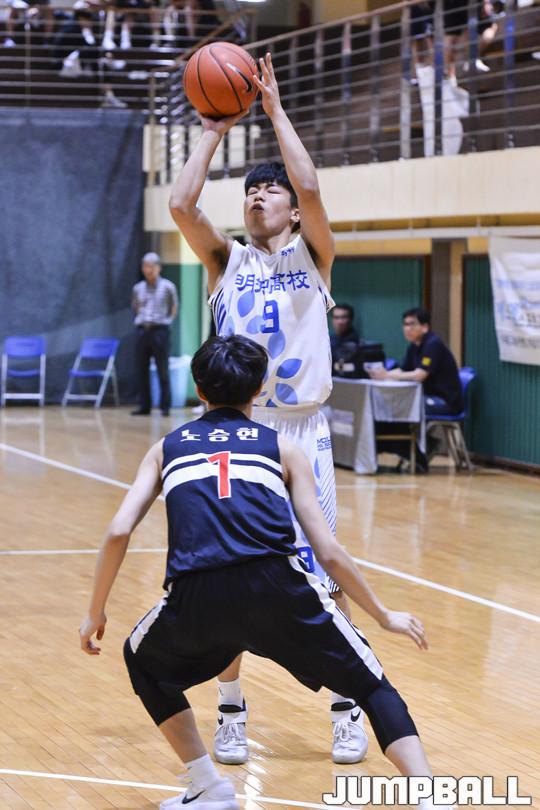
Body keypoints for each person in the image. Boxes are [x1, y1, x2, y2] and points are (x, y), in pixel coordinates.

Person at [79, 334, 454, 810]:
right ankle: (429, 797)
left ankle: (207, 785)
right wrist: (383, 615)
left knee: (143, 662)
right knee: (373, 686)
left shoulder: (166, 448)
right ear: (259, 390)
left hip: (197, 594)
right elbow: (328, 551)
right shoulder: (283, 447)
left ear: (199, 389)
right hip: (280, 587)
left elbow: (118, 530)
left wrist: (95, 612)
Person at [168, 52, 367, 765]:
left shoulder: (315, 254)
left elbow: (310, 184)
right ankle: (231, 710)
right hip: (238, 428)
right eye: (250, 191)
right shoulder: (227, 262)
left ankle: (347, 705)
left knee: (323, 569)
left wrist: (276, 111)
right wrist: (213, 130)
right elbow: (181, 206)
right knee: (228, 572)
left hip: (303, 429)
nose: (258, 197)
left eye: (268, 190)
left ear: (290, 209)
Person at [368, 307, 463, 471]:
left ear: (425, 327)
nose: (407, 328)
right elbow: (403, 370)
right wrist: (382, 374)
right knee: (392, 406)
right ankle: (411, 450)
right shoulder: (414, 346)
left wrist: (388, 375)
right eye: (405, 324)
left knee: (402, 408)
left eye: (412, 324)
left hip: (445, 401)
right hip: (425, 396)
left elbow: (420, 375)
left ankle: (418, 452)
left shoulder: (433, 344)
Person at [131, 252, 178, 417]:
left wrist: (166, 322)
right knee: (141, 370)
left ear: (159, 267)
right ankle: (145, 406)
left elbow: (174, 308)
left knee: (162, 370)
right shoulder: (138, 288)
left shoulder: (168, 287)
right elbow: (135, 307)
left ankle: (165, 407)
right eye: (145, 266)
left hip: (160, 331)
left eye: (152, 266)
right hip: (142, 331)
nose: (148, 269)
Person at [330, 303, 360, 374]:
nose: (339, 322)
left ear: (350, 319)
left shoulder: (357, 345)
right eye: (336, 317)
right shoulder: (330, 341)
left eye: (343, 317)